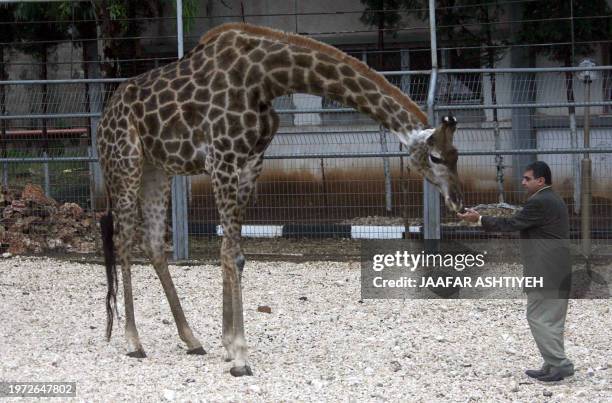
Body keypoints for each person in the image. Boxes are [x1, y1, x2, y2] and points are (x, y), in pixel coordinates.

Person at [457, 161, 574, 382]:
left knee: (537, 317)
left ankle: (560, 364)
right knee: (551, 319)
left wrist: (479, 219)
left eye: (527, 178)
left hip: (547, 270)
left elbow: (511, 224)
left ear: (541, 181)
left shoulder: (540, 202)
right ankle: (552, 363)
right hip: (557, 268)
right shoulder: (552, 199)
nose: (523, 182)